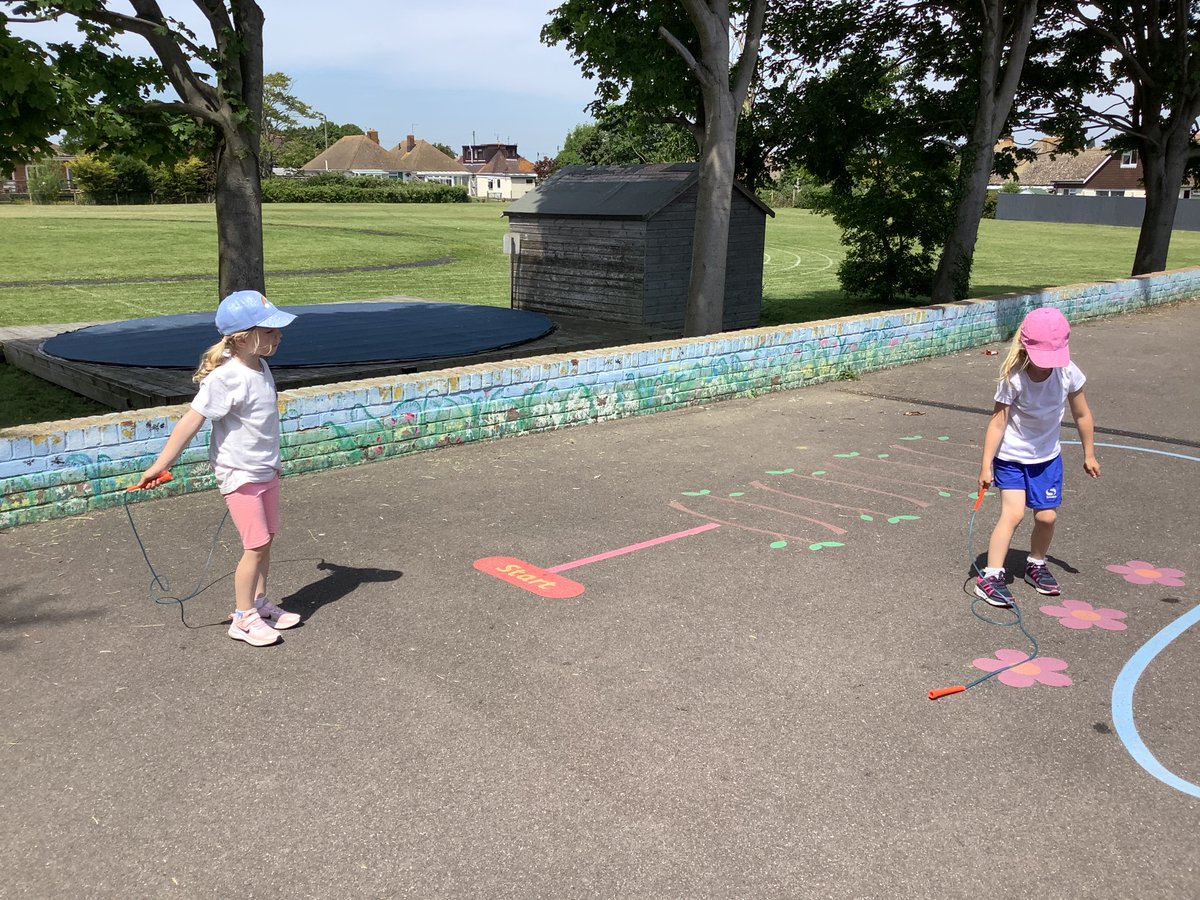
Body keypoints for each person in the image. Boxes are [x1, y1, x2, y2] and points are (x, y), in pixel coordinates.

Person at [136, 290, 301, 646]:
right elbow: (190, 422)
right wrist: (160, 465)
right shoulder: (225, 378)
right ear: (243, 337)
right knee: (254, 545)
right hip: (239, 474)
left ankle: (258, 602)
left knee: (267, 540)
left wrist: (273, 465)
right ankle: (242, 619)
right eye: (270, 331)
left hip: (266, 470)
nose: (279, 335)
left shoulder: (261, 364)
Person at [975, 306, 1101, 607]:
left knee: (1047, 516)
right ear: (1026, 346)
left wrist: (1089, 453)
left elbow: (1082, 414)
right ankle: (991, 576)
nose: (1046, 366)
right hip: (1011, 458)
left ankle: (1036, 563)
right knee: (1014, 514)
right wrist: (985, 465)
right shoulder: (1014, 378)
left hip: (1046, 459)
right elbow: (997, 422)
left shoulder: (1068, 372)